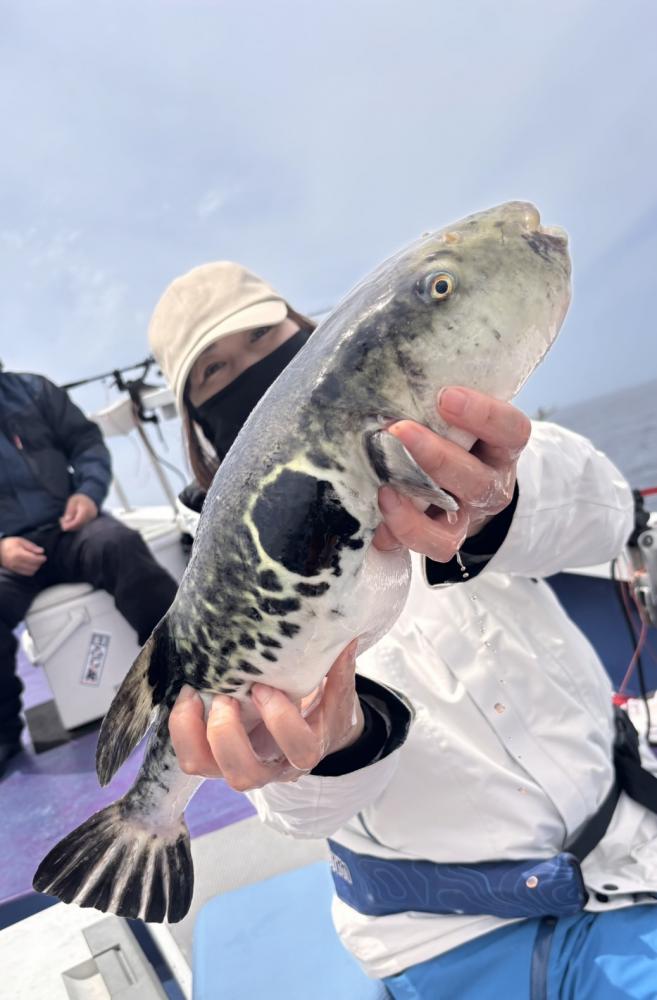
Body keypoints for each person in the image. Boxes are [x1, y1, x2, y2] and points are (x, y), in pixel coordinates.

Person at [149, 261, 657, 998]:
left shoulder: (464, 437)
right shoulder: (223, 587)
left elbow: (605, 515)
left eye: (262, 337)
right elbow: (295, 810)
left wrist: (498, 499)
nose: (250, 370)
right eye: (213, 371)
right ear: (198, 423)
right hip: (445, 931)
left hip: (631, 843)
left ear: (314, 335)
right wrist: (327, 748)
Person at [0, 369, 180, 777]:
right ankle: (3, 734)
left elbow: (86, 444)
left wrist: (87, 493)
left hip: (72, 528)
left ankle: (179, 670)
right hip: (9, 552)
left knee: (121, 546)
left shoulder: (35, 391)